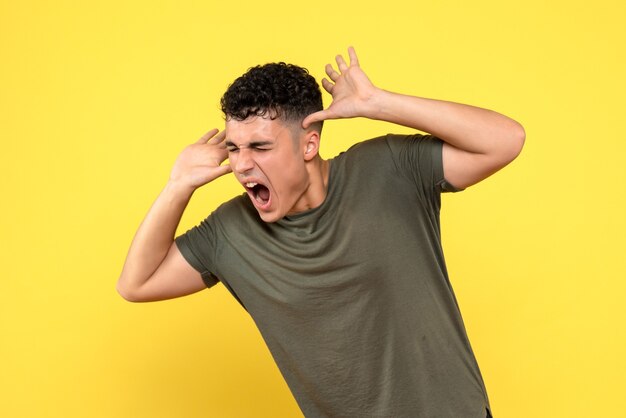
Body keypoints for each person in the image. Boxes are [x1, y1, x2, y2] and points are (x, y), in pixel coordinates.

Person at [117, 47, 524, 418]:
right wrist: (178, 186)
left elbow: (505, 141)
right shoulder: (230, 232)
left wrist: (377, 103)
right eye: (234, 148)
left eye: (259, 147)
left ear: (308, 145)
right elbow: (136, 283)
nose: (241, 165)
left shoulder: (389, 168)